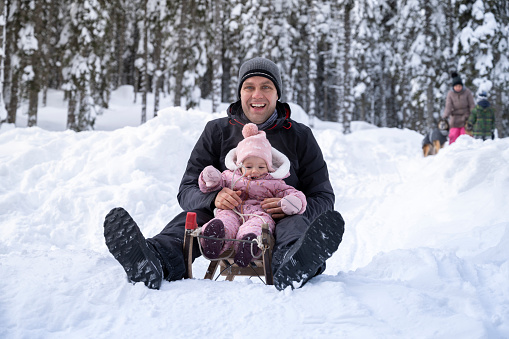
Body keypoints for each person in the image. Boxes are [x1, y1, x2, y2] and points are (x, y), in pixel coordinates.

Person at [103, 57, 345, 291]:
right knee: (193, 218)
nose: (257, 95)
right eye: (249, 87)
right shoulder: (216, 131)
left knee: (294, 226)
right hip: (225, 214)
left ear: (277, 93)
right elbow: (187, 188)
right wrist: (212, 199)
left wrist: (291, 207)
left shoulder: (300, 136)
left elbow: (323, 196)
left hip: (278, 219)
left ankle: (294, 264)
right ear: (240, 93)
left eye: (266, 87)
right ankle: (153, 260)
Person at [198, 123, 307, 267]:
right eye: (249, 167)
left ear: (268, 167)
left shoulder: (274, 182)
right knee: (225, 221)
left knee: (258, 226)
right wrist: (210, 178)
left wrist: (293, 202)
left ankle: (248, 246)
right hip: (233, 210)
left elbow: (292, 193)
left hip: (259, 214)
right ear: (239, 165)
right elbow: (213, 185)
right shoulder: (230, 176)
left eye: (261, 167)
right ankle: (214, 240)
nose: (255, 171)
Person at [442, 72, 475, 144]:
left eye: (459, 86)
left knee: (465, 135)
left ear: (462, 86)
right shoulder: (450, 94)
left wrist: (473, 115)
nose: (458, 88)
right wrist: (445, 116)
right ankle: (454, 151)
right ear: (453, 87)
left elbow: (472, 104)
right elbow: (448, 106)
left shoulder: (467, 92)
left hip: (466, 118)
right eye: (456, 86)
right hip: (455, 119)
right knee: (453, 135)